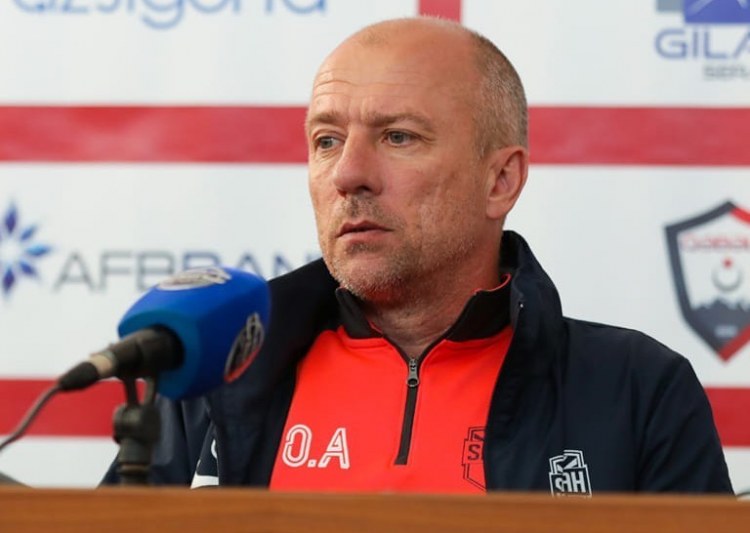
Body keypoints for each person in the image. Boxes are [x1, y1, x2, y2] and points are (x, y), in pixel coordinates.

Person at [104, 17, 733, 494]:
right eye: (326, 140)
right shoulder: (217, 376)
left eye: (398, 136)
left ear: (501, 180)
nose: (348, 174)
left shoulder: (638, 389)